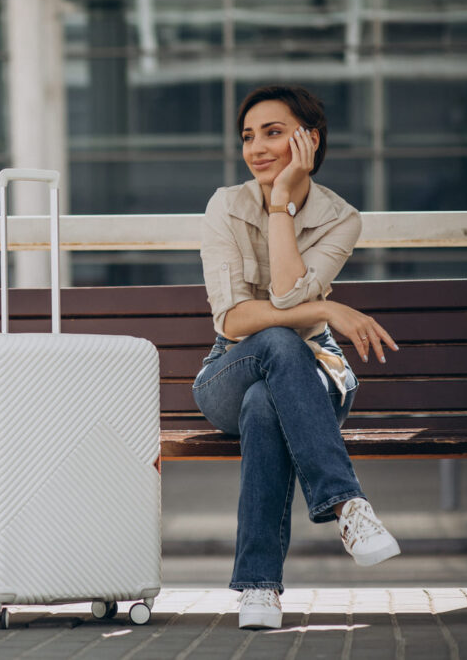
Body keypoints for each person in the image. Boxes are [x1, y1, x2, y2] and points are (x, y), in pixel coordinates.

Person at [193, 84, 401, 630]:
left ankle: (259, 588)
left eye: (274, 132)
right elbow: (233, 321)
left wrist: (282, 203)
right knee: (277, 349)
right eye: (248, 136)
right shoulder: (226, 205)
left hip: (314, 372)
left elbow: (283, 295)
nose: (257, 148)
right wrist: (330, 311)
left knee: (267, 402)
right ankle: (348, 505)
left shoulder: (340, 218)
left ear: (310, 140)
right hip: (229, 368)